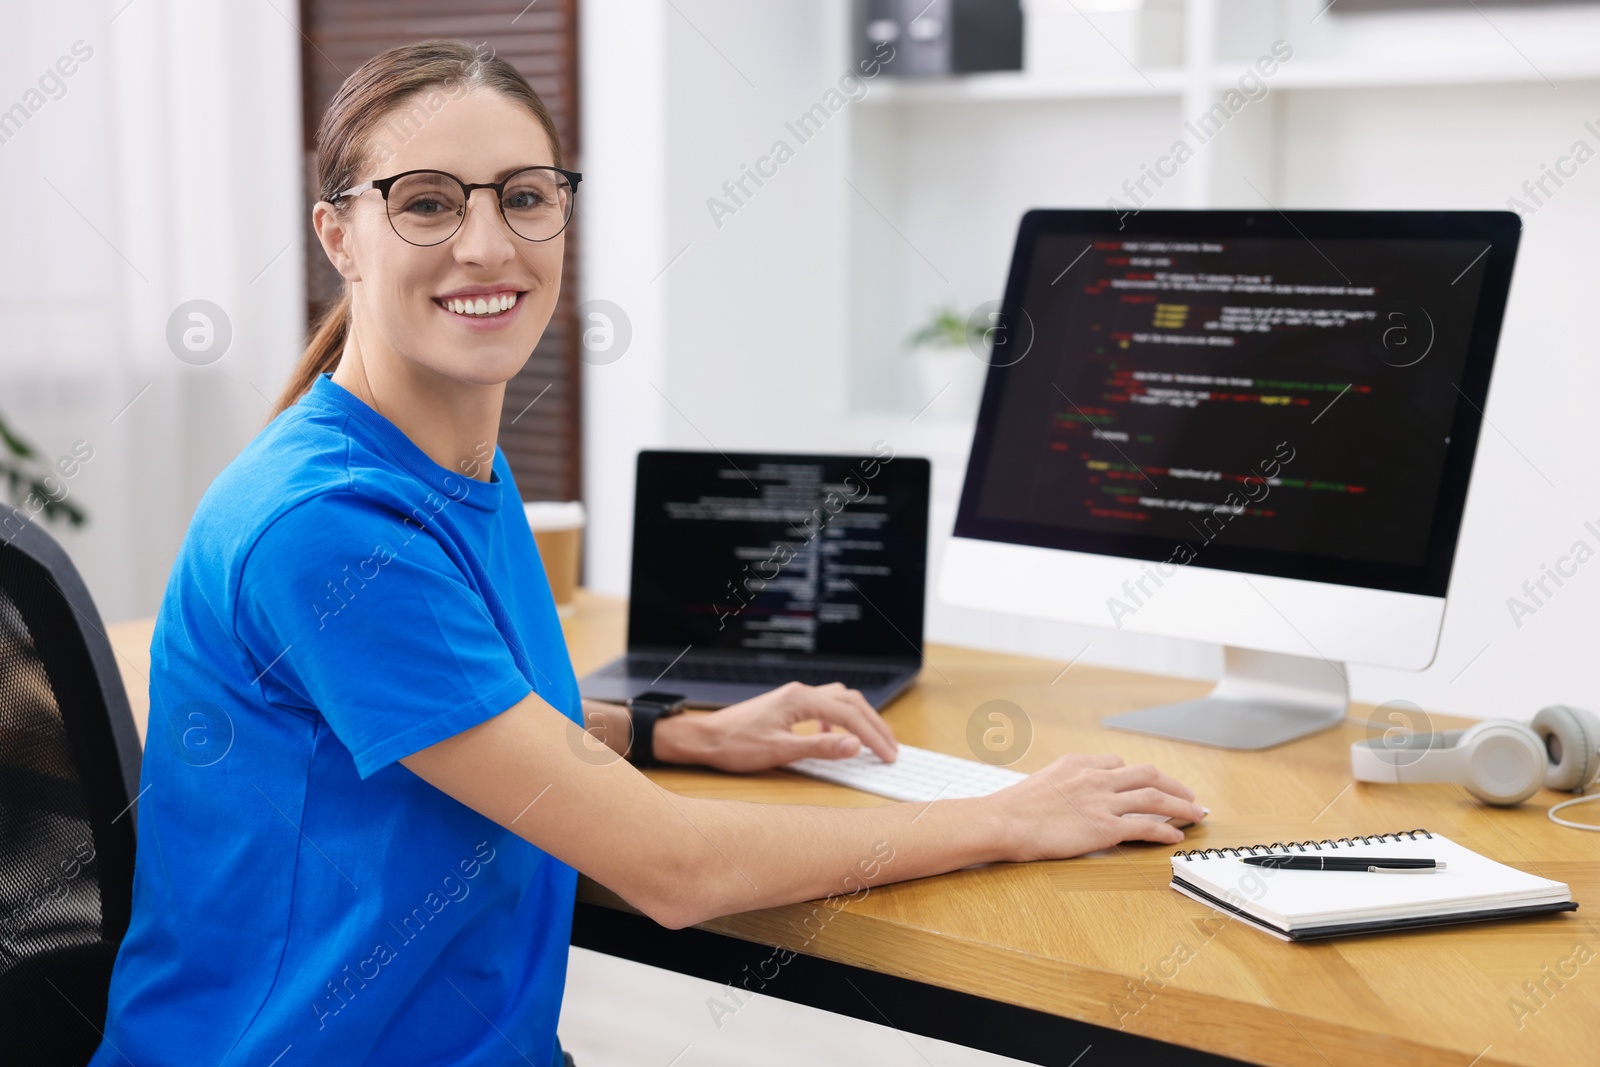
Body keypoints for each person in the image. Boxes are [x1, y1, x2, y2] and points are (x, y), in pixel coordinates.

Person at [93, 39, 1202, 1067]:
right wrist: (1009, 814)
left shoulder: (441, 455)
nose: (487, 243)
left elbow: (467, 721)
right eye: (426, 204)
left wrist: (682, 730)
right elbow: (674, 871)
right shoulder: (331, 529)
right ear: (339, 235)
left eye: (524, 197)